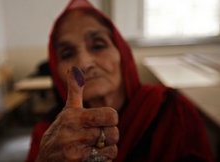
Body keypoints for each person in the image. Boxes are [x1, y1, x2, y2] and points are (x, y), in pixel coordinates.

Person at [26, 0, 215, 161]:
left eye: (98, 45)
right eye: (67, 53)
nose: (84, 63)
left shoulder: (170, 109)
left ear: (122, 53)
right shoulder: (49, 135)